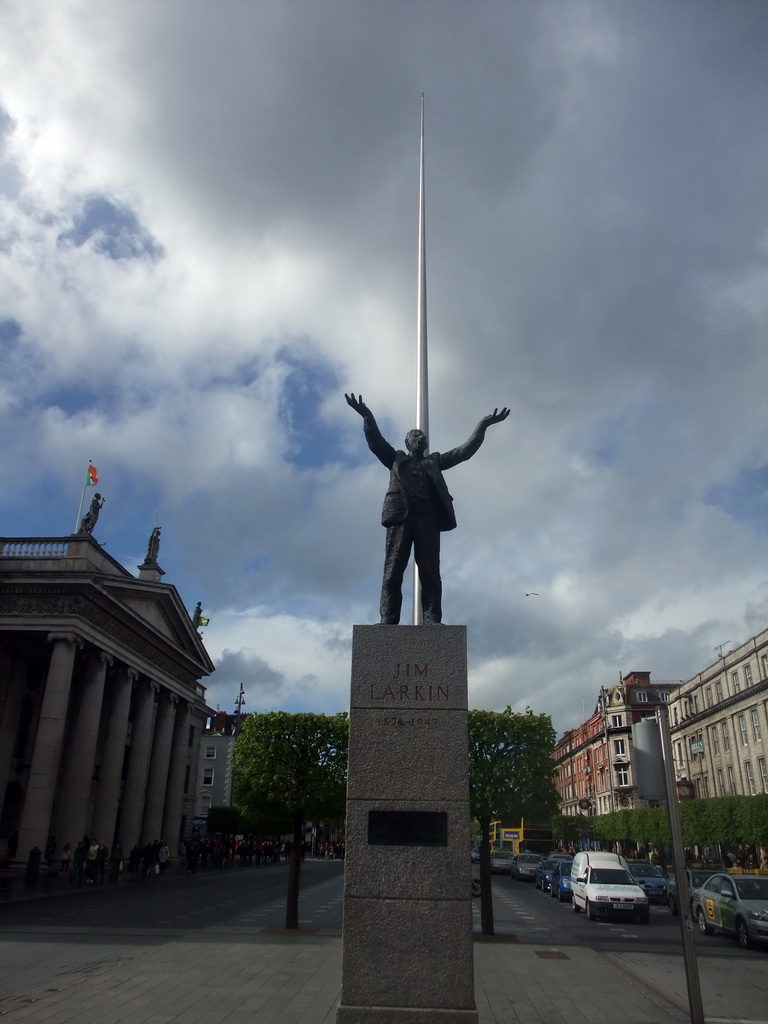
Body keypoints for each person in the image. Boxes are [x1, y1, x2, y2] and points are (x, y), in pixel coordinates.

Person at [345, 394, 510, 624]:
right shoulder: (394, 459)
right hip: (400, 520)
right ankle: (388, 619)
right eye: (415, 436)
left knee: (430, 573)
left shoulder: (435, 462)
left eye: (422, 436)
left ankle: (432, 618)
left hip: (427, 522)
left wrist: (482, 426)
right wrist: (366, 414)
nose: (420, 438)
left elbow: (464, 452)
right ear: (408, 443)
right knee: (393, 572)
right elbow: (375, 440)